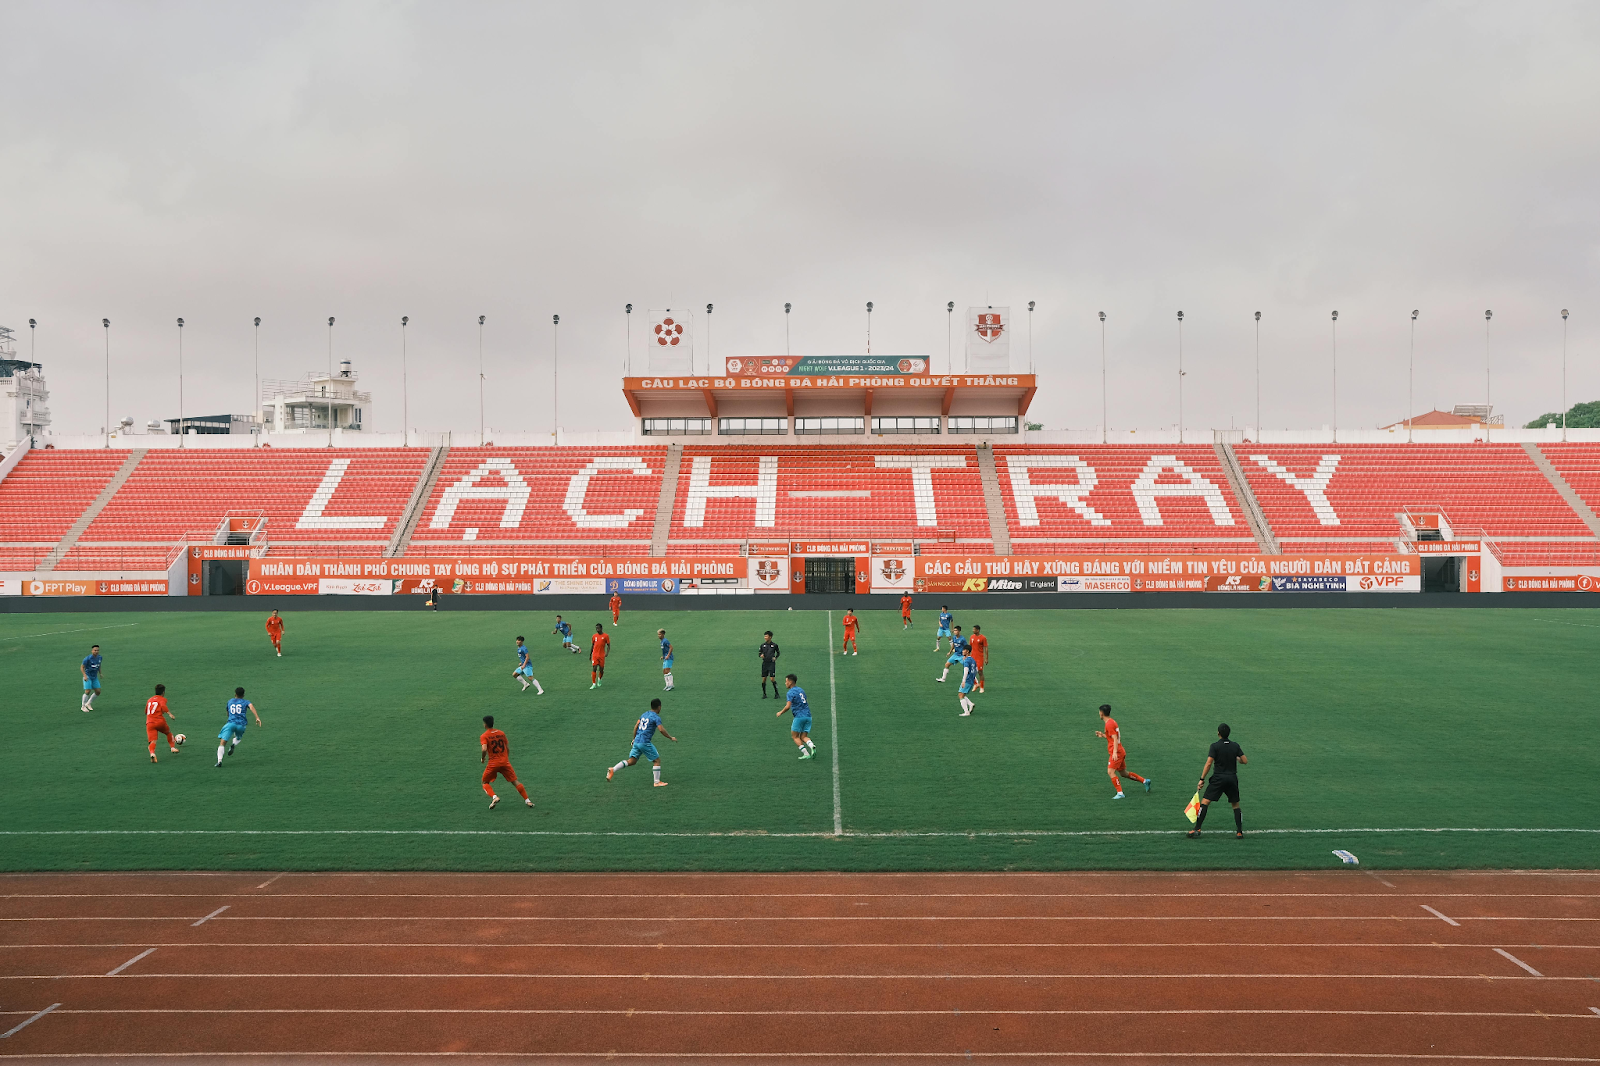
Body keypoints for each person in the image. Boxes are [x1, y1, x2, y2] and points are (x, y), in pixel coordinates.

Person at [1188, 723, 1247, 838]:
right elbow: (1244, 761)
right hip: (1232, 778)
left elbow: (1209, 763)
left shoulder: (1215, 746)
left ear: (1218, 733)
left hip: (1218, 778)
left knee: (1205, 803)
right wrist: (1235, 756)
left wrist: (1202, 779)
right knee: (1235, 805)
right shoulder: (1235, 746)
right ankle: (1239, 832)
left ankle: (1197, 829)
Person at [607, 698, 676, 786]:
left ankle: (613, 769)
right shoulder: (656, 717)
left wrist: (634, 739)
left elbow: (636, 726)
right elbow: (661, 730)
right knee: (657, 760)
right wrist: (670, 737)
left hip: (637, 741)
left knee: (632, 761)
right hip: (645, 742)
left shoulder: (644, 714)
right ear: (659, 707)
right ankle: (657, 782)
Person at [1096, 704, 1150, 799]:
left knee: (1110, 771)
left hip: (1117, 752)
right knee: (1123, 773)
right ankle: (1145, 781)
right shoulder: (1111, 722)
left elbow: (1115, 738)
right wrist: (1103, 735)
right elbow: (1112, 738)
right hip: (1120, 750)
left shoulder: (1109, 724)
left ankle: (1120, 793)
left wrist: (1114, 752)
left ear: (1101, 713)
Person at [479, 715, 533, 810]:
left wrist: (483, 758)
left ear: (485, 724)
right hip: (505, 762)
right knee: (515, 781)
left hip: (493, 763)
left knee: (484, 782)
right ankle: (528, 800)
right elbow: (507, 747)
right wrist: (505, 758)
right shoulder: (501, 733)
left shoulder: (484, 736)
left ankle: (495, 797)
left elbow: (484, 749)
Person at [215, 687, 263, 768]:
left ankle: (219, 761)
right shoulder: (246, 702)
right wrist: (257, 717)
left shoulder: (230, 701)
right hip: (241, 725)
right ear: (243, 695)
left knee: (222, 743)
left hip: (230, 724)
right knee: (238, 738)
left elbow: (228, 713)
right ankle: (233, 744)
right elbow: (251, 707)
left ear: (235, 694)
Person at [777, 673, 816, 759]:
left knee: (794, 736)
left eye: (786, 681)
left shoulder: (790, 692)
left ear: (790, 682)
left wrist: (780, 712)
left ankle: (806, 754)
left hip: (799, 717)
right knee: (803, 736)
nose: (785, 683)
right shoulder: (801, 690)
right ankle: (812, 745)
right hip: (808, 716)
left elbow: (788, 706)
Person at [145, 684, 181, 762]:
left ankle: (152, 753)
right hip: (159, 721)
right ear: (163, 692)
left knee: (153, 741)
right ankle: (172, 748)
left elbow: (146, 712)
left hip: (150, 723)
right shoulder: (162, 699)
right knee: (168, 733)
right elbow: (163, 706)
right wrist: (170, 714)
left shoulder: (149, 700)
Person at [80, 645, 103, 713]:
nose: (96, 651)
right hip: (88, 676)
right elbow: (82, 667)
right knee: (88, 691)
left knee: (98, 691)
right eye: (95, 650)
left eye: (97, 650)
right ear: (92, 651)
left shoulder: (100, 657)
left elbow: (99, 666)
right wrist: (85, 675)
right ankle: (83, 706)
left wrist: (100, 673)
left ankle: (88, 703)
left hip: (94, 677)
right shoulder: (87, 659)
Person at [758, 631, 781, 698]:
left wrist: (775, 657)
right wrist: (761, 655)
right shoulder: (762, 645)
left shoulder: (774, 645)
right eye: (765, 636)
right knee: (764, 679)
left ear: (770, 637)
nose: (765, 637)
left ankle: (777, 693)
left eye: (766, 636)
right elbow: (759, 653)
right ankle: (764, 694)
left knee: (772, 679)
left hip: (771, 663)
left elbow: (778, 653)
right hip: (765, 663)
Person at [956, 651, 979, 716]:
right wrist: (974, 679)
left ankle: (966, 712)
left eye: (964, 650)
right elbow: (976, 670)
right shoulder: (972, 660)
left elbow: (966, 672)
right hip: (971, 680)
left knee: (960, 695)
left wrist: (963, 681)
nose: (963, 651)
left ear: (967, 652)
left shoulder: (966, 661)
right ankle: (970, 704)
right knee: (962, 694)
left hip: (967, 680)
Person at [589, 623, 611, 689]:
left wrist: (607, 653)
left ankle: (599, 679)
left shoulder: (606, 636)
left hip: (601, 655)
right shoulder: (594, 636)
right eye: (596, 628)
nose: (597, 629)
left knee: (601, 670)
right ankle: (593, 684)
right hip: (595, 655)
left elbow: (608, 645)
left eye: (598, 628)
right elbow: (592, 645)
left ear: (601, 628)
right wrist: (590, 654)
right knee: (594, 668)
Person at [970, 624, 989, 693]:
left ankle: (982, 687)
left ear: (978, 630)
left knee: (980, 672)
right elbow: (970, 647)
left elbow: (986, 648)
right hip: (972, 657)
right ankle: (976, 684)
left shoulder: (983, 638)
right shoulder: (971, 637)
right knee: (971, 672)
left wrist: (986, 658)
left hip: (979, 657)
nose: (973, 630)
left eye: (974, 629)